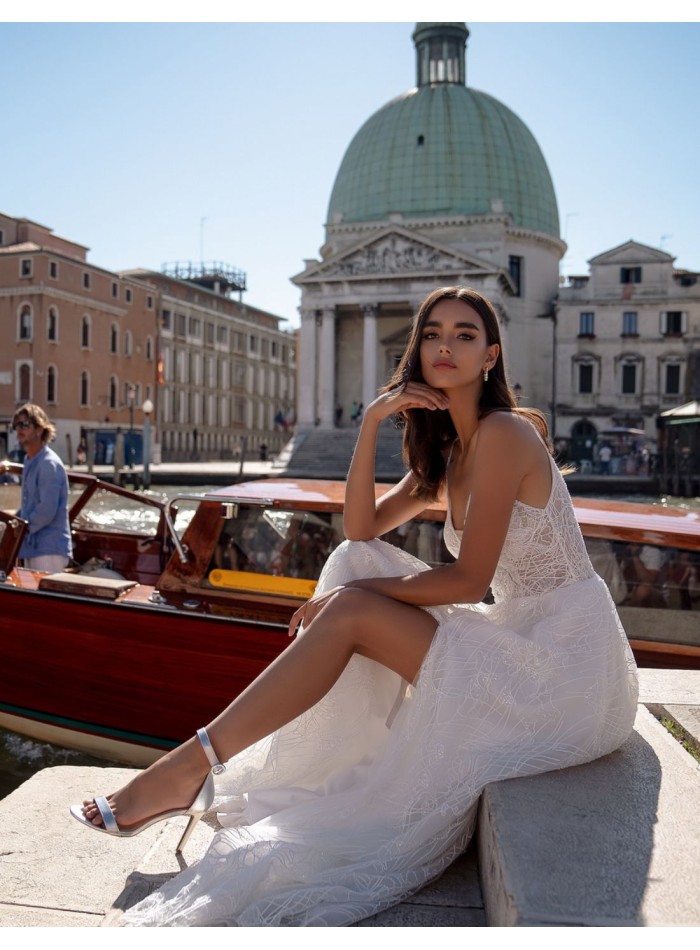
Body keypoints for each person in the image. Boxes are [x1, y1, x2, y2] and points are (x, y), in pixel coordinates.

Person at [71, 287, 638, 927]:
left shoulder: (506, 433)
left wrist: (356, 597)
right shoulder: (450, 453)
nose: (445, 345)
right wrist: (371, 422)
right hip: (525, 642)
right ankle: (193, 768)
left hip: (568, 670)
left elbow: (468, 579)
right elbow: (361, 527)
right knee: (353, 563)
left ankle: (185, 769)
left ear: (491, 357)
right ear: (417, 351)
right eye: (432, 334)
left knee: (351, 597)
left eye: (465, 335)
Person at [12, 403, 72, 572]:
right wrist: (14, 521)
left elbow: (47, 509)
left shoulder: (48, 464)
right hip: (33, 547)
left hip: (49, 549)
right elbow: (29, 504)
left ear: (39, 430)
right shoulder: (30, 460)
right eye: (17, 425)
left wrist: (22, 528)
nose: (19, 429)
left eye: (25, 425)